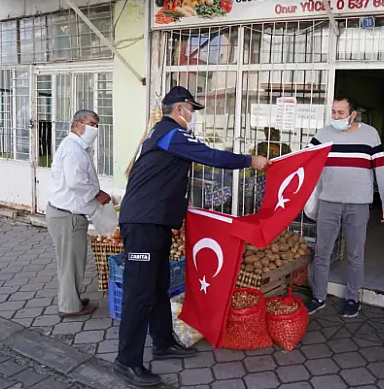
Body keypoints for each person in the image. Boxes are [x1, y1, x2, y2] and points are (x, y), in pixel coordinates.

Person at [115, 86, 270, 387]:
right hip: (143, 223)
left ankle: (162, 342)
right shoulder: (170, 132)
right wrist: (250, 161)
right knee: (140, 293)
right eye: (191, 109)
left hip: (154, 221)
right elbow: (209, 156)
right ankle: (127, 361)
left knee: (158, 285)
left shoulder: (165, 134)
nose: (193, 115)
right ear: (179, 108)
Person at [307, 96, 384, 318]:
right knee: (322, 253)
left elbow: (381, 170)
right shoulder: (323, 134)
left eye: (341, 113)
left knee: (356, 255)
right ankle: (318, 297)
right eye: (333, 112)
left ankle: (353, 298)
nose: (335, 117)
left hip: (358, 205)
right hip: (329, 202)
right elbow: (304, 161)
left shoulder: (370, 135)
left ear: (353, 114)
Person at [46, 110, 110, 318]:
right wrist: (98, 194)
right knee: (70, 262)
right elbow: (76, 182)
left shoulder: (75, 146)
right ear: (76, 125)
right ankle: (70, 306)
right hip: (67, 216)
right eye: (91, 124)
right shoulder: (73, 149)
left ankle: (71, 297)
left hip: (64, 213)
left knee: (70, 261)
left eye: (97, 125)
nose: (94, 129)